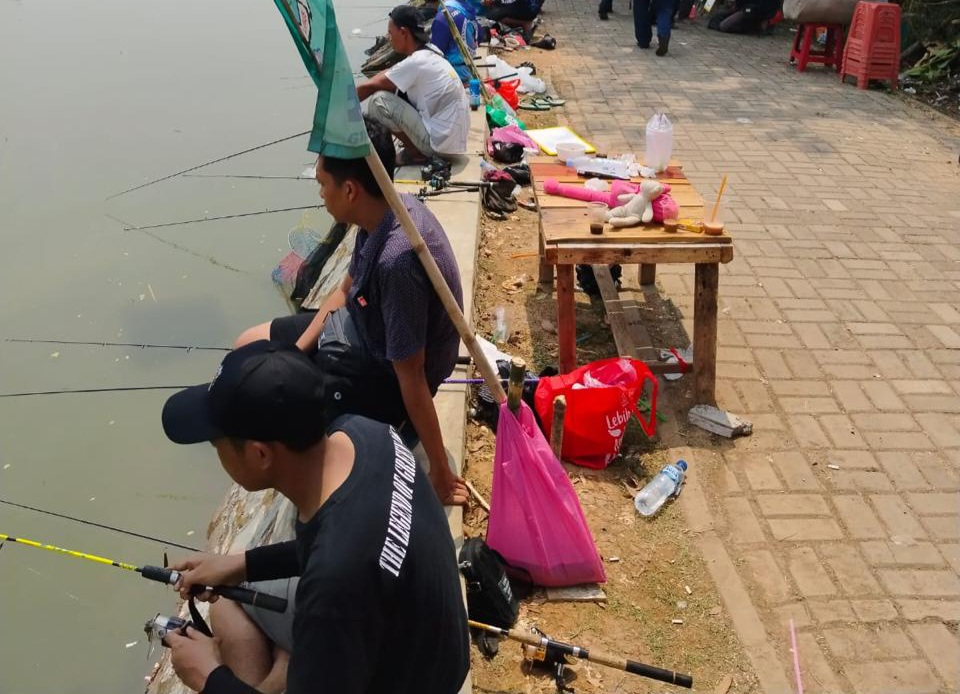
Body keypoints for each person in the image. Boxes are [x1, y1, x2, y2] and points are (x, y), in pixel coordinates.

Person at [160, 341, 470, 694]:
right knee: (229, 602)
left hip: (409, 680)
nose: (217, 455)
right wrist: (240, 564)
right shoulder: (363, 432)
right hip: (435, 650)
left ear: (260, 454)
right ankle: (283, 673)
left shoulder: (333, 585)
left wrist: (208, 675)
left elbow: (338, 566)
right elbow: (337, 541)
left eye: (219, 446)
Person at [234, 118, 469, 507]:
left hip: (383, 378)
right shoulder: (377, 213)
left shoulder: (399, 263)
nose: (321, 195)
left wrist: (440, 471)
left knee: (280, 417)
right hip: (355, 330)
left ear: (350, 189)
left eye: (323, 185)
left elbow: (410, 375)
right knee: (247, 346)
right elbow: (342, 292)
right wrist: (295, 352)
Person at [357, 5, 469, 163]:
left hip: (439, 146)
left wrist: (340, 107)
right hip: (453, 143)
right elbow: (389, 73)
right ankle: (417, 148)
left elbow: (370, 86)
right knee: (395, 91)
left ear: (403, 32)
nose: (389, 38)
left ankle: (416, 152)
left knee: (378, 101)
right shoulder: (432, 51)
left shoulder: (416, 62)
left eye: (391, 33)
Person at [427, 0, 479, 82]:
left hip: (455, 74)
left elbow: (436, 52)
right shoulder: (460, 6)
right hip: (469, 67)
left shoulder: (441, 19)